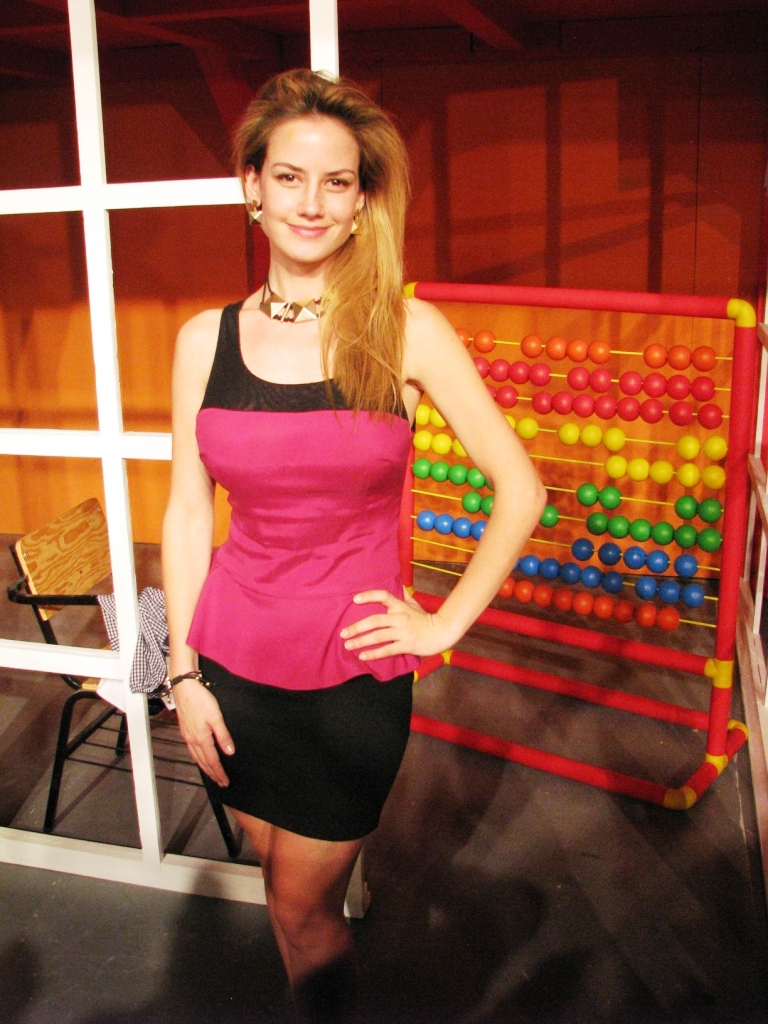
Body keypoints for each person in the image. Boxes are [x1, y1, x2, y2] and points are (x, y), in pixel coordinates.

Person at [162, 67, 546, 1023]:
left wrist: (442, 626)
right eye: (288, 177)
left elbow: (523, 489)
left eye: (336, 182)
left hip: (350, 678)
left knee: (305, 909)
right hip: (228, 666)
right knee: (274, 870)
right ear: (251, 187)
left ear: (363, 199)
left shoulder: (406, 330)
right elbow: (186, 513)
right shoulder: (202, 339)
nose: (311, 202)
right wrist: (178, 672)